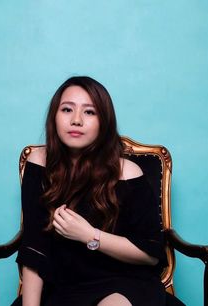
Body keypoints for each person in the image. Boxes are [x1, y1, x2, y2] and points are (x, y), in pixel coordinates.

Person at [15, 76, 167, 306]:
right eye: (67, 109)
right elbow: (34, 249)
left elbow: (150, 254)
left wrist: (90, 236)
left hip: (124, 283)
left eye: (89, 112)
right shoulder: (39, 163)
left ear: (103, 122)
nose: (76, 120)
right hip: (63, 288)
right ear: (54, 117)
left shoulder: (127, 172)